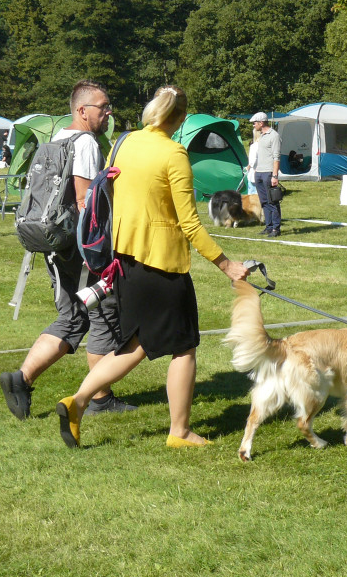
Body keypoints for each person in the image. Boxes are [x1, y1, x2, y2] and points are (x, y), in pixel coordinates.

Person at [54, 84, 250, 450]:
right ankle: (180, 431)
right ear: (179, 118)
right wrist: (227, 264)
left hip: (125, 261)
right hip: (163, 266)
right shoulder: (174, 153)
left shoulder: (123, 143)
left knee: (137, 344)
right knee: (184, 346)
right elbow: (190, 223)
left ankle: (77, 401)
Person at [0, 80, 136, 422]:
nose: (108, 113)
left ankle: (22, 379)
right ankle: (100, 398)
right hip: (80, 247)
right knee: (104, 310)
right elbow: (85, 202)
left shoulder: (55, 139)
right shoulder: (86, 143)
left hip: (52, 242)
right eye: (103, 107)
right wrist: (103, 251)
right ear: (82, 111)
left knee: (73, 316)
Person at [250, 111, 282, 237]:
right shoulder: (261, 135)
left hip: (268, 173)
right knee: (264, 201)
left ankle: (276, 228)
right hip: (259, 172)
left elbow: (276, 157)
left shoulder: (274, 136)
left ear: (261, 123)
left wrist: (275, 175)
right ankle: (268, 227)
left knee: (272, 201)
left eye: (254, 123)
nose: (253, 125)